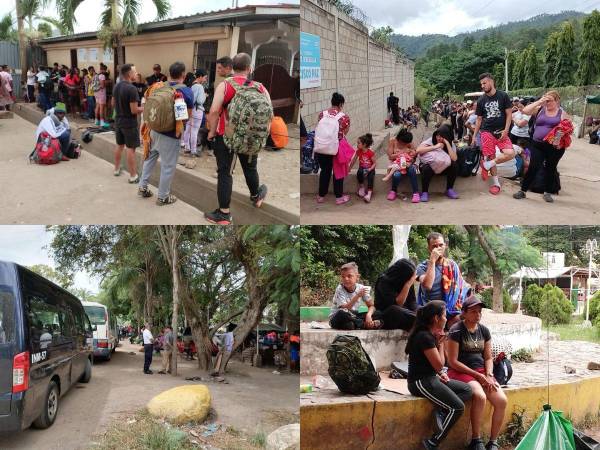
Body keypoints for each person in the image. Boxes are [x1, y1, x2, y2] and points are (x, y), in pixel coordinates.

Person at [205, 53, 270, 224]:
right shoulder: (261, 88)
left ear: (233, 67)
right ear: (250, 68)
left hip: (225, 136)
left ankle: (224, 214)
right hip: (251, 137)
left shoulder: (225, 85)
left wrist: (211, 132)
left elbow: (213, 111)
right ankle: (256, 196)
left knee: (225, 172)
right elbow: (269, 115)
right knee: (250, 168)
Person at [405, 300, 472, 450]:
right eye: (444, 315)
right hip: (420, 382)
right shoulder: (425, 337)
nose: (446, 318)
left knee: (467, 389)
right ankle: (432, 442)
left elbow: (438, 367)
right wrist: (441, 344)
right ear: (436, 318)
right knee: (457, 408)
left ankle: (441, 411)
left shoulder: (428, 335)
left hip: (431, 378)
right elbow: (440, 364)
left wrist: (441, 373)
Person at [447, 295, 507, 450]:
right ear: (464, 313)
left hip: (481, 372)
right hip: (460, 371)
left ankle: (493, 441)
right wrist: (478, 376)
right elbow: (453, 361)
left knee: (501, 400)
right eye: (473, 311)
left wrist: (488, 374)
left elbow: (488, 357)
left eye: (479, 311)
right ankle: (476, 439)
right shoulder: (456, 330)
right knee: (480, 396)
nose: (478, 315)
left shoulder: (484, 331)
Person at [138, 61, 194, 205]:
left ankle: (142, 188)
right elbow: (185, 117)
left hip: (153, 131)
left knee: (149, 160)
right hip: (170, 135)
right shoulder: (186, 91)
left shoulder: (158, 86)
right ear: (183, 75)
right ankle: (163, 197)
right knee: (167, 167)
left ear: (169, 74)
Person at [513, 90, 572, 203]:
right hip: (537, 144)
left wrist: (558, 139)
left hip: (554, 147)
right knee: (533, 166)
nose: (547, 103)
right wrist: (540, 101)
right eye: (546, 100)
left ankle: (547, 192)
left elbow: (566, 128)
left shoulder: (562, 113)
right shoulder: (540, 109)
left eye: (550, 101)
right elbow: (525, 111)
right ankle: (523, 190)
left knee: (551, 168)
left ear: (557, 101)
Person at [471, 73, 515, 195]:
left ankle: (487, 165)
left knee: (510, 153)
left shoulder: (503, 96)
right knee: (490, 155)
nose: (482, 86)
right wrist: (474, 136)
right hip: (486, 131)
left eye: (484, 83)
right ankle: (496, 184)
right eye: (481, 84)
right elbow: (479, 119)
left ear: (491, 82)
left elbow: (509, 114)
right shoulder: (481, 101)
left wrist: (506, 130)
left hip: (501, 131)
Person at [417, 232, 468, 329]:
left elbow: (461, 288)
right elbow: (427, 285)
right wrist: (432, 261)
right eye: (434, 246)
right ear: (429, 248)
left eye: (440, 245)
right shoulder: (422, 267)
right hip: (430, 311)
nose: (438, 249)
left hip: (451, 312)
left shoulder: (452, 265)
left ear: (445, 246)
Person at [313, 92, 351, 205]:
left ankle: (320, 196)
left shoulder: (322, 114)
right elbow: (344, 133)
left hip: (321, 148)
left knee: (325, 171)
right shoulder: (344, 117)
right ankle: (339, 197)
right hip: (336, 149)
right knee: (338, 173)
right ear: (340, 104)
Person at [112, 64, 143, 183]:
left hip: (118, 121)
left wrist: (121, 108)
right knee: (130, 149)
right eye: (135, 72)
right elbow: (134, 110)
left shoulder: (117, 86)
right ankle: (133, 175)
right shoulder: (132, 89)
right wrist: (144, 108)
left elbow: (112, 104)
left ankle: (116, 169)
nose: (136, 74)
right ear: (129, 74)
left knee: (119, 146)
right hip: (129, 123)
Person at [328, 262, 381, 330]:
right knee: (342, 313)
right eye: (343, 277)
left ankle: (355, 324)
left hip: (353, 316)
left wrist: (368, 315)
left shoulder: (361, 288)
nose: (346, 279)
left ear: (357, 277)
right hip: (338, 318)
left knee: (378, 313)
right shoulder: (340, 289)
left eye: (349, 276)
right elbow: (346, 308)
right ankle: (364, 324)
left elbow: (371, 306)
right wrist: (357, 296)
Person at [415, 124, 459, 201]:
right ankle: (425, 192)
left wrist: (447, 143)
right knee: (426, 168)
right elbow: (418, 150)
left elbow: (454, 158)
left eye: (441, 136)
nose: (438, 138)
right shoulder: (431, 140)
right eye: (437, 135)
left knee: (454, 165)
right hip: (430, 168)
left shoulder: (450, 144)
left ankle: (449, 189)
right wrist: (436, 146)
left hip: (442, 167)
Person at [372, 258, 417, 330]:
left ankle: (422, 321)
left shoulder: (407, 279)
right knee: (395, 310)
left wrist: (417, 311)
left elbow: (412, 301)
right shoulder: (383, 281)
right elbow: (397, 304)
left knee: (423, 309)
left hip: (406, 313)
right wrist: (407, 285)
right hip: (386, 315)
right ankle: (422, 321)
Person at [384, 128, 420, 203]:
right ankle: (393, 191)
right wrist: (402, 152)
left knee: (411, 170)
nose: (405, 144)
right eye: (404, 143)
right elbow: (390, 156)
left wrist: (411, 161)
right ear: (399, 139)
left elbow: (414, 155)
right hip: (396, 165)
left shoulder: (408, 142)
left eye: (406, 143)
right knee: (397, 175)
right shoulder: (392, 141)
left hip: (407, 164)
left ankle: (416, 193)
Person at [181, 68, 208, 157]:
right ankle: (193, 150)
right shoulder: (200, 87)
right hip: (197, 110)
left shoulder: (192, 85)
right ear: (200, 77)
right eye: (204, 77)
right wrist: (205, 96)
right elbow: (200, 101)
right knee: (195, 131)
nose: (205, 79)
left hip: (190, 110)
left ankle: (187, 148)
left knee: (188, 129)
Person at [349, 133, 376, 203]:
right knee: (359, 172)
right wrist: (349, 168)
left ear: (364, 145)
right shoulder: (358, 152)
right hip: (362, 167)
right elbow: (353, 160)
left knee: (371, 177)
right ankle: (362, 187)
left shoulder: (370, 153)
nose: (357, 144)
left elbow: (375, 163)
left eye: (358, 143)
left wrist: (370, 169)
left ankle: (369, 194)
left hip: (370, 168)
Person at [94, 63, 109, 128]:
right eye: (105, 70)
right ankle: (102, 122)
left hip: (96, 92)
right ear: (104, 70)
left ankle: (96, 120)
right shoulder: (102, 76)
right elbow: (102, 85)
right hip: (101, 93)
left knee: (97, 106)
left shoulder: (96, 75)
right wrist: (106, 83)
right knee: (101, 108)